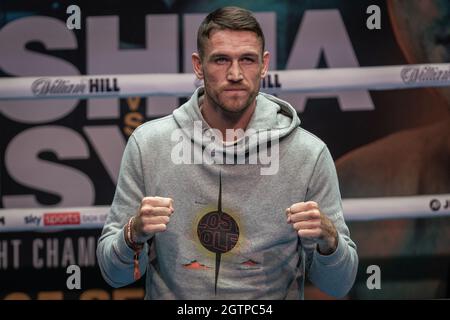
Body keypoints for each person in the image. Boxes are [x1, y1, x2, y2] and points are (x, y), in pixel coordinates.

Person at [97, 6, 358, 299]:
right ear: (198, 66)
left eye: (247, 59)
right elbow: (114, 275)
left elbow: (339, 285)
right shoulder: (149, 144)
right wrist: (132, 234)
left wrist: (330, 240)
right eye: (221, 60)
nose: (235, 74)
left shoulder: (308, 153)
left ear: (264, 65)